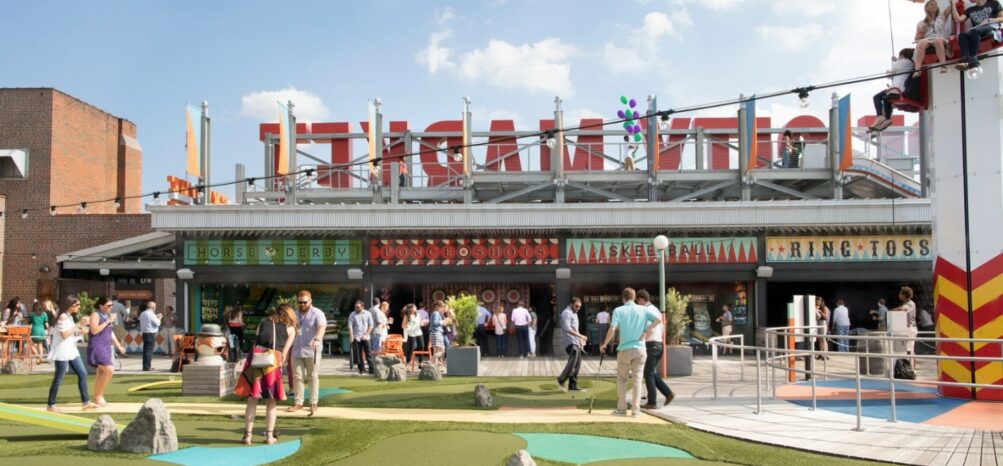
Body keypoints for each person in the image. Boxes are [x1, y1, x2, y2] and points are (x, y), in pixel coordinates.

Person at [235, 303, 297, 445]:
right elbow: (284, 353)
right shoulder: (291, 329)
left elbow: (257, 339)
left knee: (252, 399)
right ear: (289, 314)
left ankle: (248, 436)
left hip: (256, 358)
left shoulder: (263, 322)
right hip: (273, 361)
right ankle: (269, 437)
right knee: (271, 400)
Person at [600, 287, 661, 417]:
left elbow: (612, 328)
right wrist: (646, 331)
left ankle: (621, 409)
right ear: (634, 298)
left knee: (622, 379)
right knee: (637, 380)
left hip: (624, 349)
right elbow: (658, 320)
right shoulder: (644, 309)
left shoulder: (618, 310)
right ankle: (635, 410)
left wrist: (604, 344)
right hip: (640, 349)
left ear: (623, 298)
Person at [46, 297, 98, 412]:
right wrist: (79, 324)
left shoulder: (68, 316)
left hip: (71, 350)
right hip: (62, 351)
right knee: (59, 378)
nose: (79, 306)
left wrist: (80, 331)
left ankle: (86, 402)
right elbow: (64, 334)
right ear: (71, 305)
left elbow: (70, 333)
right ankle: (51, 405)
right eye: (77, 304)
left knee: (83, 373)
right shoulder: (63, 317)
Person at [87, 297, 127, 407]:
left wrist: (119, 346)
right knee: (109, 370)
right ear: (101, 305)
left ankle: (98, 397)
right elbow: (94, 330)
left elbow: (111, 333)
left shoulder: (107, 316)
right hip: (97, 345)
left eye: (111, 305)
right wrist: (107, 321)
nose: (111, 307)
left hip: (106, 346)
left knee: (101, 372)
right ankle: (98, 396)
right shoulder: (96, 315)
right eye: (108, 305)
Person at [290, 290, 326, 413]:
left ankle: (313, 402)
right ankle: (298, 402)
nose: (302, 305)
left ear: (310, 301)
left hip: (312, 349)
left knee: (313, 377)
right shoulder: (293, 314)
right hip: (296, 349)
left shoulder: (317, 313)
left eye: (305, 302)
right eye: (300, 302)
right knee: (297, 377)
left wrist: (317, 338)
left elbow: (321, 327)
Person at [636, 290, 674, 409]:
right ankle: (668, 393)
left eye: (637, 301)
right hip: (658, 344)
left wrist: (642, 336)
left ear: (641, 299)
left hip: (651, 344)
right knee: (652, 372)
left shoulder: (646, 310)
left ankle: (652, 402)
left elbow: (651, 328)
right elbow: (661, 326)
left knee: (648, 373)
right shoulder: (656, 309)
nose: (637, 304)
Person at [869, 48, 915, 133]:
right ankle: (887, 119)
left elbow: (889, 75)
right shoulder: (911, 64)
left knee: (876, 97)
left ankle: (880, 117)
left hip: (896, 89)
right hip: (903, 88)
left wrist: (888, 71)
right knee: (887, 99)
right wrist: (896, 61)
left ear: (901, 55)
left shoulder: (900, 62)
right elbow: (901, 67)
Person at [952, 0, 1003, 71]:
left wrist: (991, 20)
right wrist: (953, 4)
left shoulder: (994, 3)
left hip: (990, 26)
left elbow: (1002, 18)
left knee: (975, 31)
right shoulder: (970, 10)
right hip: (977, 29)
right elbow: (958, 19)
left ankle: (973, 58)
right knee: (962, 35)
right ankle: (966, 59)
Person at [914, 0, 953, 76]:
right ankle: (917, 70)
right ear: (926, 8)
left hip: (939, 38)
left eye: (936, 4)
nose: (935, 6)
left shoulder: (942, 17)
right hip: (927, 39)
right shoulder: (921, 23)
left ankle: (943, 66)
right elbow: (916, 39)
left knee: (938, 41)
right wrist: (922, 32)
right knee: (921, 43)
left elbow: (951, 7)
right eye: (932, 4)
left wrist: (951, 2)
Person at [557, 297, 586, 391]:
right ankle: (561, 379)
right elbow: (567, 329)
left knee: (577, 363)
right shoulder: (567, 313)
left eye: (580, 307)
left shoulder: (574, 313)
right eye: (577, 306)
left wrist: (580, 341)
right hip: (569, 342)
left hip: (575, 341)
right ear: (571, 304)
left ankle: (572, 385)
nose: (578, 308)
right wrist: (581, 336)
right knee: (573, 361)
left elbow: (575, 329)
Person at [889, 286, 918, 355]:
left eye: (900, 294)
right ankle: (906, 364)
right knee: (904, 349)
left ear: (904, 295)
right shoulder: (907, 303)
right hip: (905, 328)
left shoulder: (910, 304)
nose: (899, 295)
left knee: (909, 349)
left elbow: (903, 309)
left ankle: (909, 364)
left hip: (910, 328)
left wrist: (889, 311)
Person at [348, 300, 373, 375]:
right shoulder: (352, 314)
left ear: (362, 307)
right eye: (355, 307)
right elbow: (350, 326)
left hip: (366, 337)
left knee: (368, 354)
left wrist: (366, 334)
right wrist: (351, 335)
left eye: (358, 307)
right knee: (358, 355)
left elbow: (371, 325)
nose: (356, 308)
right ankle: (361, 369)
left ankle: (371, 369)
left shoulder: (368, 313)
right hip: (356, 337)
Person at [138, 301, 162, 371]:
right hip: (150, 334)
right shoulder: (151, 314)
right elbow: (157, 323)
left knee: (145, 351)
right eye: (155, 307)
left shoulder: (143, 313)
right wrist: (159, 318)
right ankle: (147, 366)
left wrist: (156, 317)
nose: (155, 309)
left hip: (144, 333)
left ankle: (145, 365)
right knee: (149, 351)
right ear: (153, 307)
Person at [428, 300, 448, 367]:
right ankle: (429, 362)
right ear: (438, 307)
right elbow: (435, 323)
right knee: (442, 350)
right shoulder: (436, 313)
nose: (443, 308)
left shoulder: (435, 313)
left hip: (435, 333)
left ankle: (434, 367)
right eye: (442, 307)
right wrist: (443, 321)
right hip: (436, 333)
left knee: (436, 351)